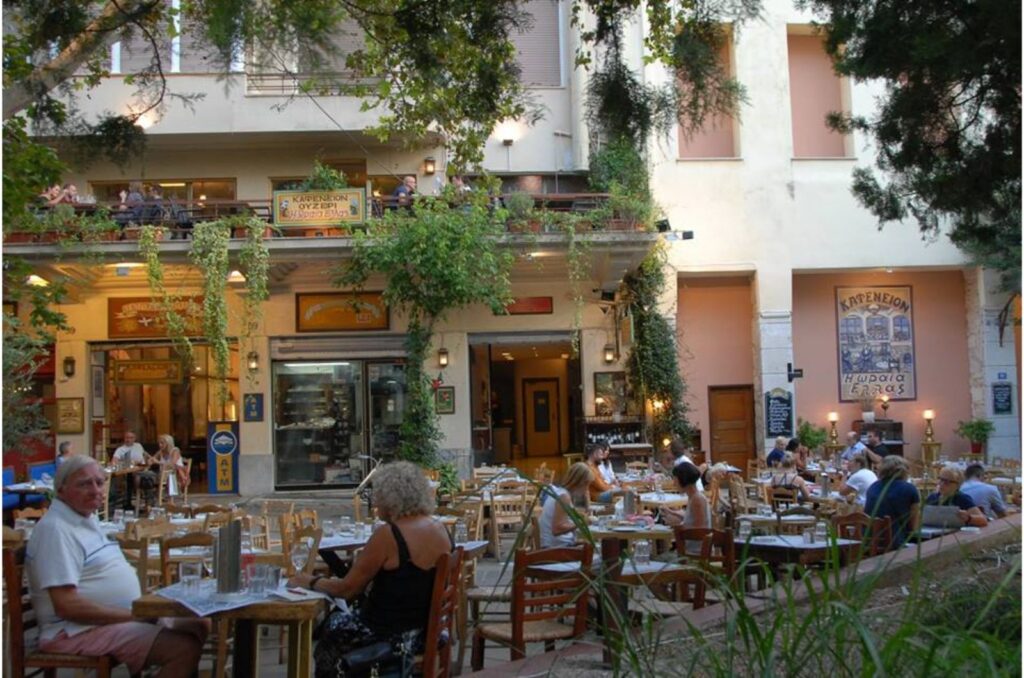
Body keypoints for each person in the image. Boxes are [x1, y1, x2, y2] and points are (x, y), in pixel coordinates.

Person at [26, 456, 206, 677]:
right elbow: (67, 606)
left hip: (111, 620)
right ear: (61, 490)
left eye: (99, 483)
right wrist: (132, 616)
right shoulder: (56, 530)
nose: (95, 490)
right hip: (74, 631)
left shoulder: (84, 518)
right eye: (84, 484)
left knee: (198, 623)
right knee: (182, 648)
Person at [288, 461, 452, 676]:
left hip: (389, 635)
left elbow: (347, 589)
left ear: (391, 499)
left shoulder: (390, 535)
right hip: (425, 631)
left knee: (332, 627)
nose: (375, 503)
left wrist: (308, 581)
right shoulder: (439, 528)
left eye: (378, 496)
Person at [864, 455, 920, 547]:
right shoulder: (909, 489)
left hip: (870, 542)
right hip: (895, 542)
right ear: (903, 471)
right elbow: (913, 526)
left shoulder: (872, 487)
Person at [660, 462, 711, 555]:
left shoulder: (697, 499)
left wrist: (677, 526)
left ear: (683, 480)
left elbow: (700, 530)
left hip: (694, 554)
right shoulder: (693, 497)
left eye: (675, 480)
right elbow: (692, 518)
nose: (674, 483)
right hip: (689, 550)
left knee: (657, 558)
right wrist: (671, 512)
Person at [538, 462, 592, 548]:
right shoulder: (564, 497)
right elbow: (557, 529)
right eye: (587, 484)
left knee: (590, 544)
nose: (587, 488)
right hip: (553, 549)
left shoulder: (559, 492)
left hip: (556, 544)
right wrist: (581, 523)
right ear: (580, 482)